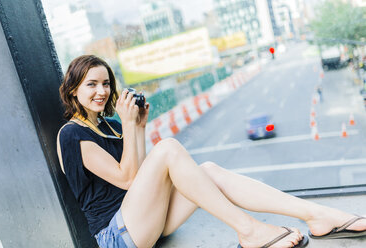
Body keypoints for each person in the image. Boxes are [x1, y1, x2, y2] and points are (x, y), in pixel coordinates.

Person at [57, 55, 366, 248]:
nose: (102, 91)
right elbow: (127, 180)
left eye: (106, 84)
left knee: (209, 171)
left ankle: (318, 215)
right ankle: (248, 230)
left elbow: (140, 178)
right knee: (167, 148)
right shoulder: (71, 134)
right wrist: (129, 124)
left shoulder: (111, 125)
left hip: (145, 220)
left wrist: (136, 126)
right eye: (91, 85)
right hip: (117, 236)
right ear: (73, 90)